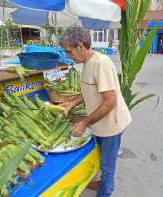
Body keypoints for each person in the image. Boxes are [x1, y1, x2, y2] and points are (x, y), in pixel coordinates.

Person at [59, 27, 132, 197]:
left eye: (69, 51)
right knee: (101, 158)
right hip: (100, 122)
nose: (68, 55)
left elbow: (110, 101)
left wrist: (84, 123)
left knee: (107, 165)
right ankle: (103, 184)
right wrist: (70, 103)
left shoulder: (101, 63)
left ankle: (105, 192)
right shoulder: (86, 63)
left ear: (80, 46)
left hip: (111, 125)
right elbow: (87, 91)